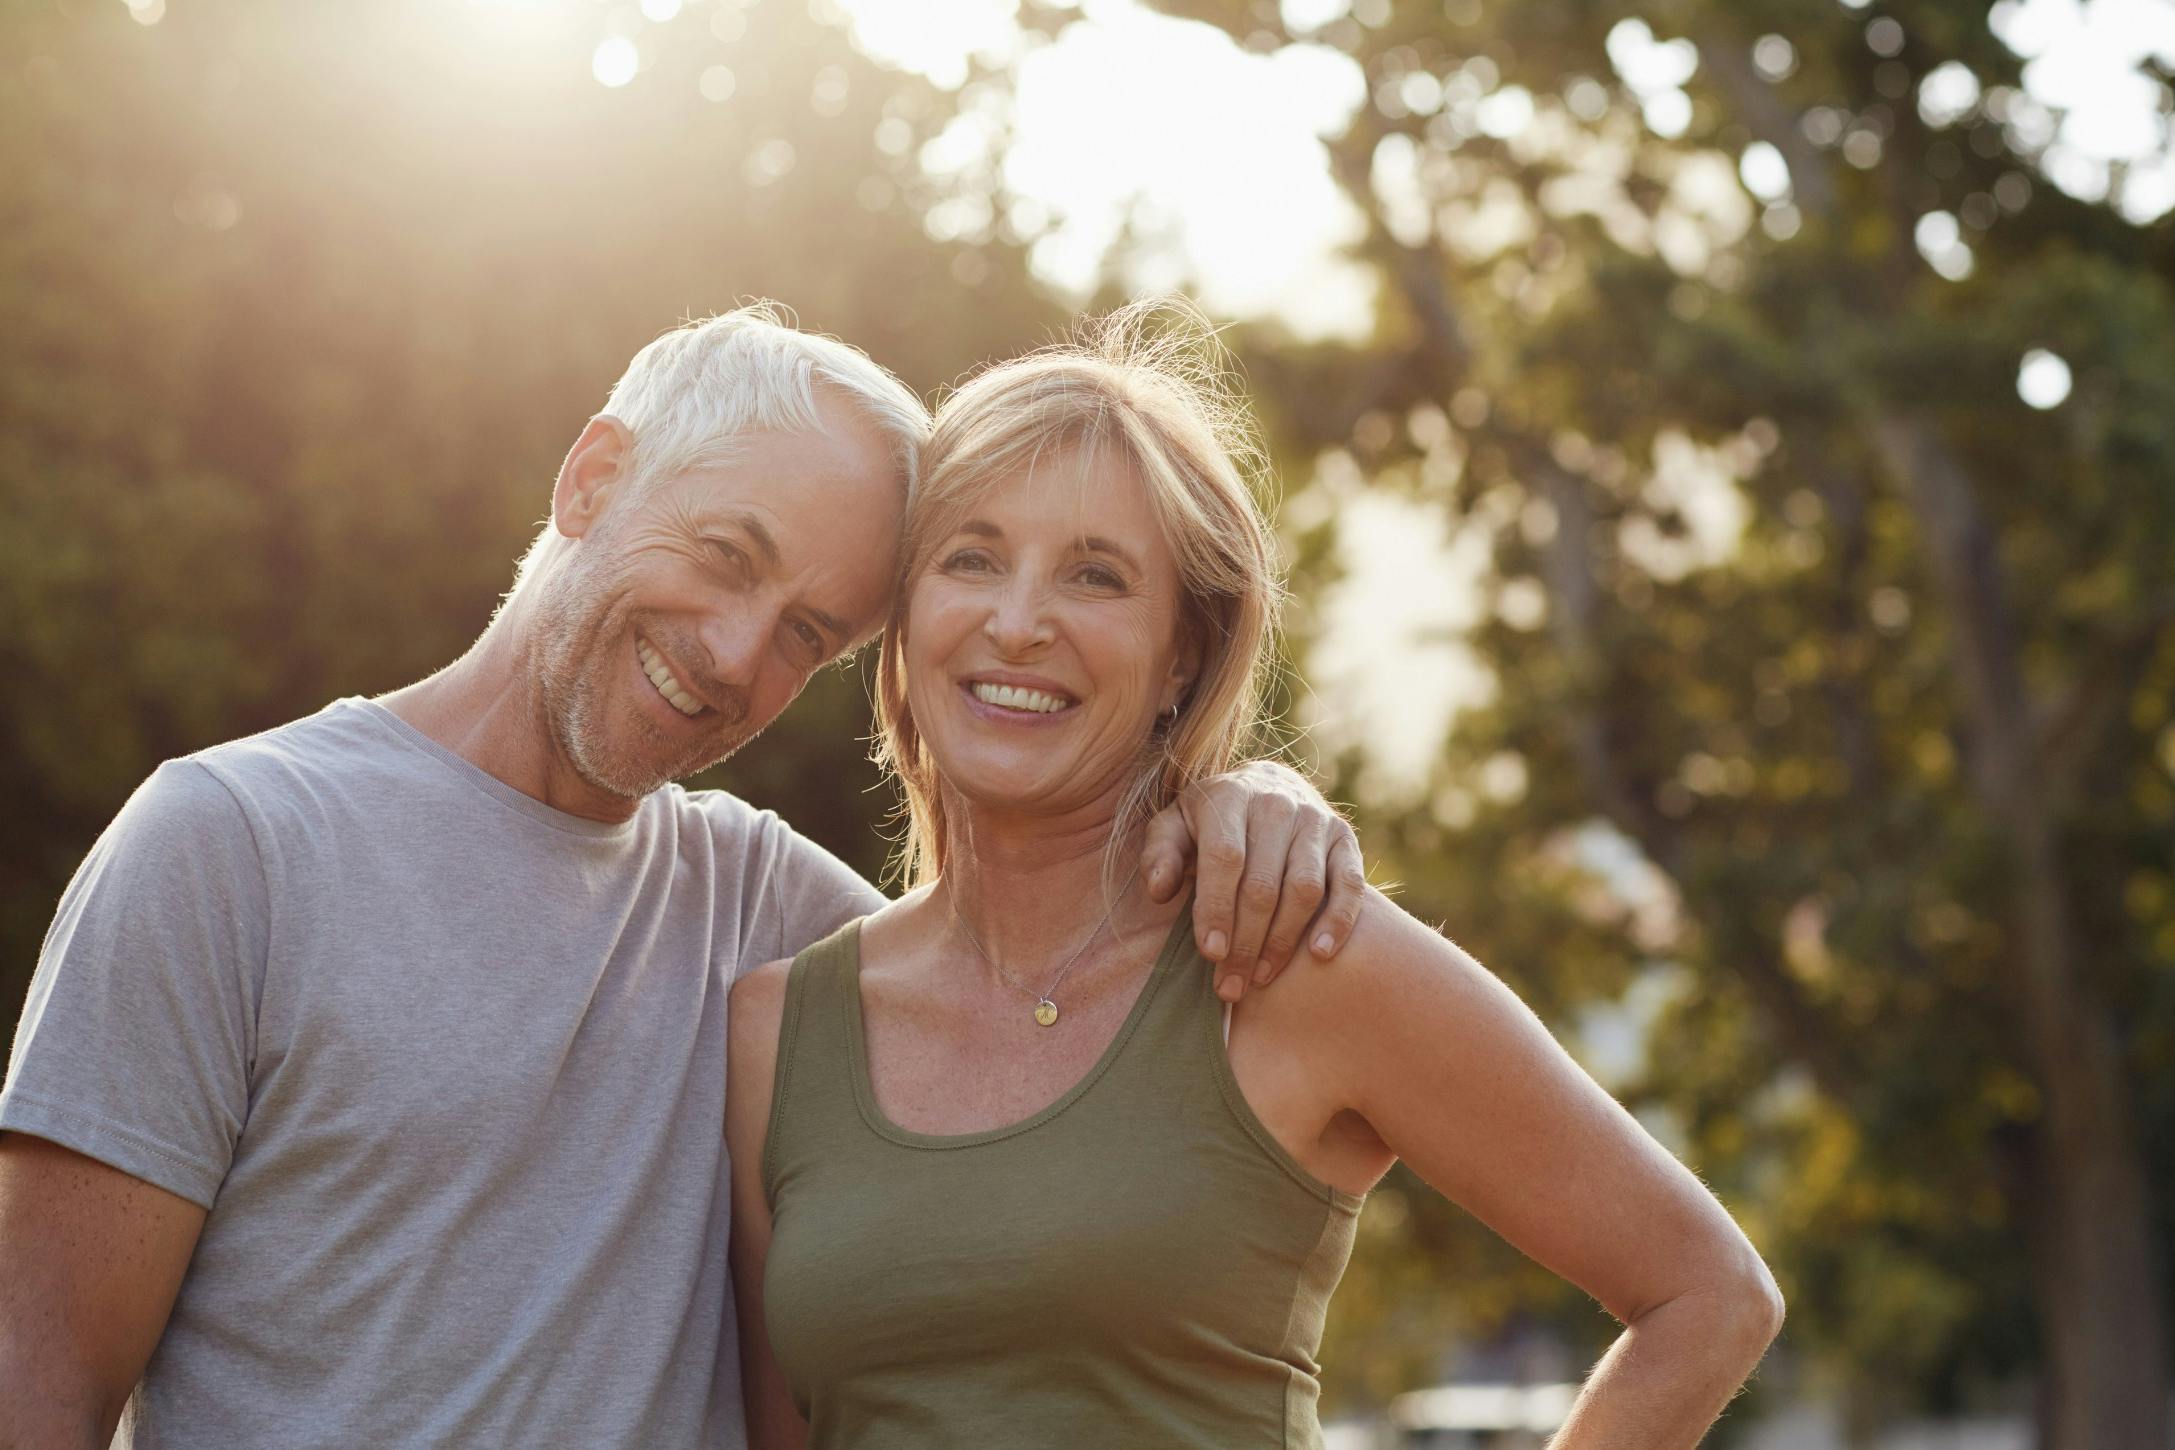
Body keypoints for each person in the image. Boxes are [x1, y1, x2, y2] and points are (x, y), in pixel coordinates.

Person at [0, 304, 1366, 1449]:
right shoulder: (232, 844)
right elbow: (39, 1387)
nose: (730, 654)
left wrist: (1245, 794)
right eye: (724, 556)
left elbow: (1036, 981)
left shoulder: (767, 910)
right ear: (592, 477)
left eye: (806, 633)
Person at [727, 303, 1785, 1449]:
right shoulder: (777, 1034)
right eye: (972, 558)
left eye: (1096, 576)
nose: (1019, 621)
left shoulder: (1292, 954)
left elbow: (1708, 1295)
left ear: (1183, 651)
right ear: (906, 612)